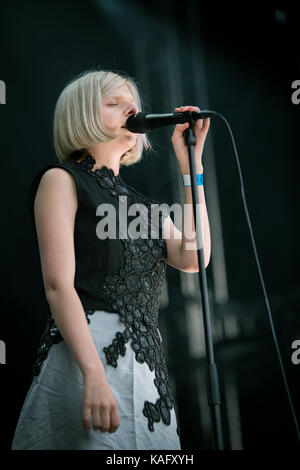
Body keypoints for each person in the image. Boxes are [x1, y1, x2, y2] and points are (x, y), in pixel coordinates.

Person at [11, 69, 211, 450]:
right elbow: (58, 285)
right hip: (85, 356)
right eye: (113, 102)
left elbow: (195, 257)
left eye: (131, 103)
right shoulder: (62, 180)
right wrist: (93, 374)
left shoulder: (145, 207)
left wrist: (192, 169)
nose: (130, 109)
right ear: (82, 115)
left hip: (145, 368)